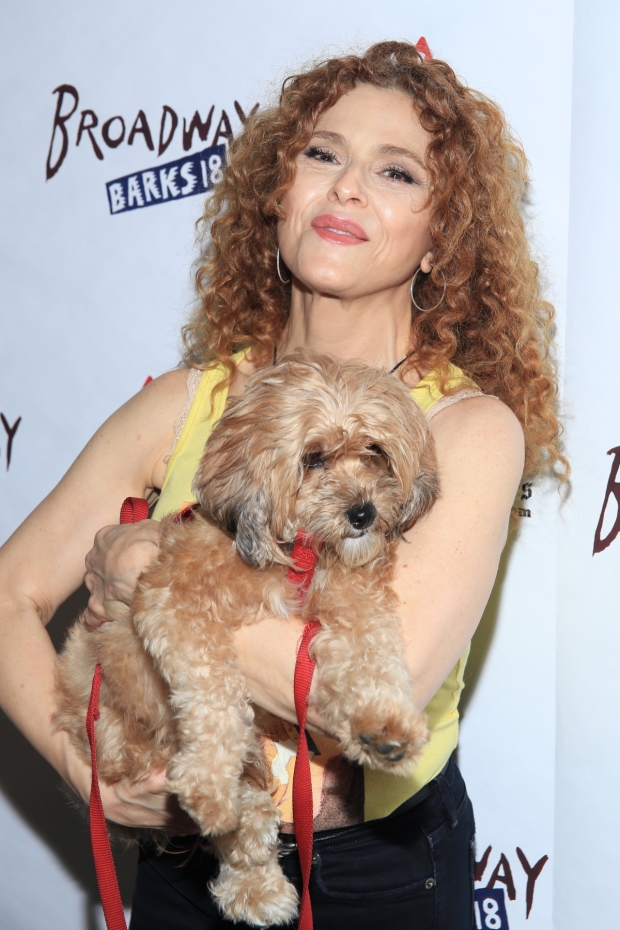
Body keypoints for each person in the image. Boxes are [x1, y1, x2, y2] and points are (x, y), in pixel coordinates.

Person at [0, 41, 565, 929]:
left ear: (440, 241)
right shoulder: (188, 402)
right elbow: (7, 594)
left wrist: (151, 578)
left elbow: (386, 692)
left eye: (397, 173)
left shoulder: (466, 428)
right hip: (193, 862)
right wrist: (84, 777)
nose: (346, 187)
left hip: (378, 878)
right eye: (322, 153)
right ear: (277, 194)